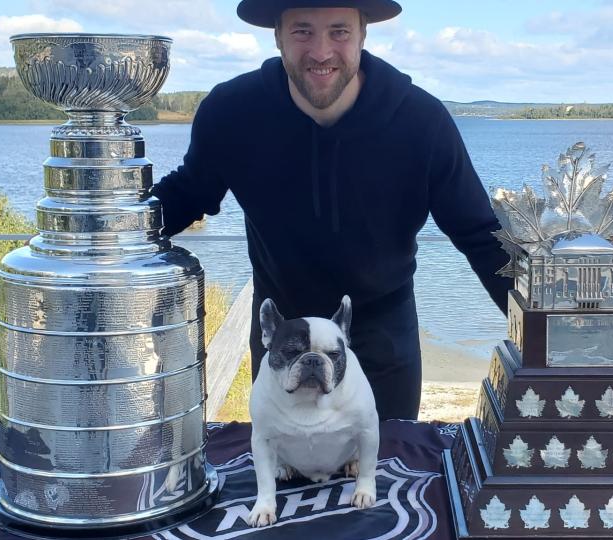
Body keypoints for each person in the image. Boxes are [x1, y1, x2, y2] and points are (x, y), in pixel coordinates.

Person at [151, 0, 512, 421]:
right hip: (282, 343)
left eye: (339, 31)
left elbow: (481, 238)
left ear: (362, 35)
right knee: (285, 480)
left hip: (383, 346)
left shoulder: (421, 121)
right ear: (278, 38)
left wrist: (553, 336)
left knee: (381, 478)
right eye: (302, 31)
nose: (321, 51)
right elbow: (186, 195)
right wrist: (91, 229)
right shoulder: (232, 113)